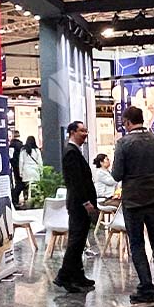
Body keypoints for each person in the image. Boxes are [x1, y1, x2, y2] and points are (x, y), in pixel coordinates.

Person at [112, 107, 154, 304]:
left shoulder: (123, 143)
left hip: (133, 201)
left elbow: (117, 174)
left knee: (137, 244)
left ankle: (145, 287)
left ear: (127, 122)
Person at [54, 121, 96, 293]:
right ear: (72, 132)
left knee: (79, 241)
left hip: (80, 203)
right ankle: (63, 276)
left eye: (86, 130)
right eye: (82, 131)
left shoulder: (75, 150)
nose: (85, 134)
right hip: (79, 204)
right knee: (76, 241)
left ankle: (78, 275)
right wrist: (86, 202)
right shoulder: (71, 152)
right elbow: (75, 181)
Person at [17, 136, 42, 207]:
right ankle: (35, 202)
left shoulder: (23, 151)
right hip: (35, 171)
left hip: (26, 171)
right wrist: (41, 171)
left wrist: (20, 172)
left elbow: (21, 162)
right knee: (34, 187)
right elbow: (40, 162)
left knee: (26, 187)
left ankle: (26, 201)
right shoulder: (37, 150)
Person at [8, 130, 24, 206]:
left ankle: (14, 199)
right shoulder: (21, 145)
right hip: (21, 166)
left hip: (15, 167)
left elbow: (10, 156)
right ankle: (15, 198)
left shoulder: (12, 145)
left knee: (18, 183)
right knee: (21, 183)